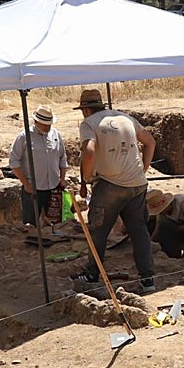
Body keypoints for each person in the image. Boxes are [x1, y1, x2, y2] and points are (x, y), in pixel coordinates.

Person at [71, 89, 157, 294]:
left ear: (85, 109)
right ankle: (148, 279)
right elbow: (150, 142)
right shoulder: (125, 118)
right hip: (137, 184)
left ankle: (92, 273)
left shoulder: (89, 123)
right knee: (139, 232)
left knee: (98, 231)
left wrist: (86, 179)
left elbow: (89, 151)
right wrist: (143, 170)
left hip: (110, 185)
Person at [8, 104, 68, 230]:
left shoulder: (55, 134)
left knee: (54, 223)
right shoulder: (24, 137)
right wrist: (26, 184)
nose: (47, 127)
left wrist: (62, 179)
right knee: (31, 225)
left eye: (49, 124)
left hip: (53, 186)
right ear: (35, 121)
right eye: (44, 124)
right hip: (32, 188)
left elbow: (62, 158)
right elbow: (14, 161)